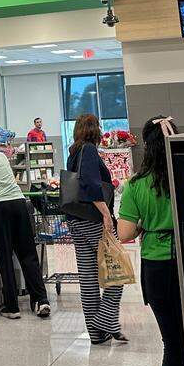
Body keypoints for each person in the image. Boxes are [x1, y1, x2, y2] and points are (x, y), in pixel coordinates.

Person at [117, 117, 184, 366]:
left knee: (172, 343)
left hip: (157, 267)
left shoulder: (136, 184)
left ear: (146, 146)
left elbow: (124, 233)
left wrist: (147, 222)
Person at [0, 134, 50, 318]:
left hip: (0, 208)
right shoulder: (1, 156)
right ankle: (41, 300)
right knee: (28, 254)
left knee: (5, 256)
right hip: (20, 204)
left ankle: (12, 307)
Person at [65, 112, 125, 345]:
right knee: (117, 272)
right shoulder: (88, 149)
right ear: (95, 129)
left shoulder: (73, 152)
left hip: (75, 219)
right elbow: (89, 184)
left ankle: (95, 333)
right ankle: (104, 320)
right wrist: (106, 214)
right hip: (92, 219)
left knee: (88, 277)